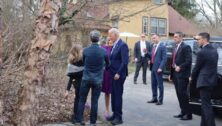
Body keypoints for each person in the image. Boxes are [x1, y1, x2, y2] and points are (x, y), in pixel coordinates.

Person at [76, 30, 109, 125]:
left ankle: (79, 120)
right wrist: (103, 69)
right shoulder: (103, 51)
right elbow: (108, 64)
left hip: (86, 78)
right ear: (99, 39)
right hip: (98, 79)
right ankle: (93, 122)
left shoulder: (85, 50)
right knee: (94, 101)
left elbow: (81, 63)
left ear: (90, 39)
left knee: (82, 99)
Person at [192, 32, 218, 126]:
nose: (197, 41)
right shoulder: (214, 50)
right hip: (212, 81)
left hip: (204, 82)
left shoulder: (202, 52)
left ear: (204, 39)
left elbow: (196, 68)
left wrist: (191, 77)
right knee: (204, 104)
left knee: (206, 106)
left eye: (198, 39)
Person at [107, 28, 129, 125]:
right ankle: (114, 114)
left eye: (110, 35)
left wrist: (118, 73)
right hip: (112, 74)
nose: (109, 37)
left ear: (115, 35)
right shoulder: (114, 44)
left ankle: (119, 117)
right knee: (114, 94)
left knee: (118, 95)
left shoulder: (123, 45)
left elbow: (124, 62)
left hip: (118, 75)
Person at [169, 32, 192, 120]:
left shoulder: (186, 47)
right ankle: (183, 112)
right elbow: (173, 62)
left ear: (181, 37)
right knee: (179, 94)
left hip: (182, 75)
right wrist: (171, 74)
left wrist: (181, 67)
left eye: (176, 37)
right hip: (175, 75)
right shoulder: (175, 47)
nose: (174, 38)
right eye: (174, 37)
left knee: (183, 94)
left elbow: (188, 60)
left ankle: (188, 114)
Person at [64, 44, 84, 124]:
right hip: (83, 82)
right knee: (81, 100)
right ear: (79, 51)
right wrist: (67, 90)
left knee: (78, 99)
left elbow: (70, 77)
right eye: (81, 49)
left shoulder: (71, 62)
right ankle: (79, 118)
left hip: (76, 83)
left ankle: (76, 117)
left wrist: (67, 90)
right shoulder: (82, 60)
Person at [147, 34, 166, 105]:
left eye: (154, 38)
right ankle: (154, 98)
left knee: (160, 85)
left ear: (158, 38)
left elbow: (164, 58)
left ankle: (160, 100)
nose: (153, 39)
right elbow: (151, 56)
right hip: (152, 68)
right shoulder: (153, 46)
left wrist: (160, 67)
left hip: (158, 69)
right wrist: (146, 52)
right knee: (153, 84)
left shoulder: (162, 46)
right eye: (152, 38)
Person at [101, 38, 113, 119]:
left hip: (114, 72)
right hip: (106, 72)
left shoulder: (117, 47)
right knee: (107, 92)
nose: (110, 41)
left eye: (111, 40)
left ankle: (115, 111)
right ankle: (107, 109)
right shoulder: (104, 48)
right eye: (109, 40)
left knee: (115, 92)